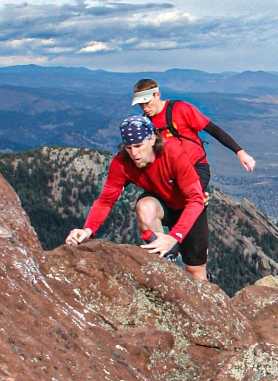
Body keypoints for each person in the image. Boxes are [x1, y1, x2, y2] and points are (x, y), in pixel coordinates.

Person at [65, 115, 211, 282]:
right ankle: (164, 261)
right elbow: (105, 200)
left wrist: (173, 237)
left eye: (138, 146)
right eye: (128, 147)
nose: (134, 153)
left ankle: (206, 302)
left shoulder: (173, 154)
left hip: (189, 207)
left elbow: (195, 200)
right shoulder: (122, 163)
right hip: (163, 204)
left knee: (195, 272)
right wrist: (87, 230)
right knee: (145, 207)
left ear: (152, 139)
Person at [132, 78, 255, 195]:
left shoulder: (181, 109)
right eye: (140, 104)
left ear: (157, 95)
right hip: (169, 172)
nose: (144, 108)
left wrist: (240, 152)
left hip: (196, 167)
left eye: (147, 102)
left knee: (190, 199)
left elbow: (213, 129)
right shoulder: (144, 123)